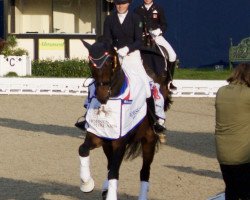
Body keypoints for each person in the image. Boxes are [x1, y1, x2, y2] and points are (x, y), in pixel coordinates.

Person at [77, 0, 168, 138]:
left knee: (147, 85)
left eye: (123, 3)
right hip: (115, 56)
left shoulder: (135, 18)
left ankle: (156, 118)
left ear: (128, 4)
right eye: (118, 3)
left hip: (132, 56)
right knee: (96, 82)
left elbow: (138, 40)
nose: (120, 6)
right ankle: (86, 116)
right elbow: (107, 38)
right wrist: (112, 48)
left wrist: (127, 49)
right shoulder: (109, 19)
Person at [215, 63, 250, 200]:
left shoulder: (221, 91)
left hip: (223, 155)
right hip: (244, 155)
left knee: (231, 190)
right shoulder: (248, 95)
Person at [134, 0, 177, 90]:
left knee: (172, 55)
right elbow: (135, 25)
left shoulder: (158, 9)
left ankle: (169, 81)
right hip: (142, 38)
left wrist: (159, 30)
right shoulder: (137, 10)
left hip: (156, 37)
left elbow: (164, 24)